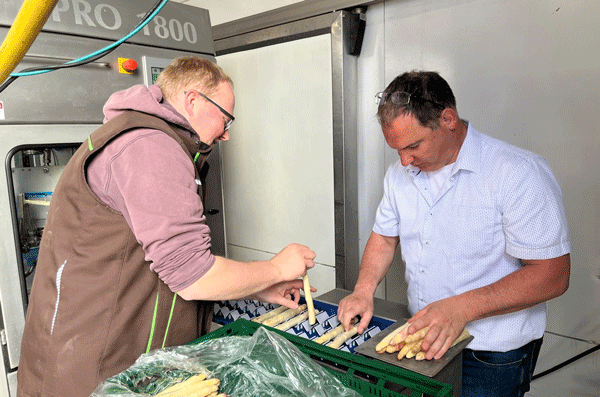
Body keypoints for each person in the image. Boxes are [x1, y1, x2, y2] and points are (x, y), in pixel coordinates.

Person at [17, 56, 316, 397]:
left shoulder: (155, 142)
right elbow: (193, 276)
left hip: (124, 359)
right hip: (93, 369)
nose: (228, 133)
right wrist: (276, 268)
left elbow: (168, 262)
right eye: (225, 117)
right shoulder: (149, 146)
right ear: (193, 100)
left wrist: (257, 287)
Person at [337, 71, 570, 397]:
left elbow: (552, 275)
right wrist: (363, 290)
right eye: (397, 150)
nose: (405, 161)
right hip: (421, 337)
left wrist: (462, 308)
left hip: (490, 354)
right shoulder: (400, 174)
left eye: (413, 146)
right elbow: (385, 236)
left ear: (447, 119)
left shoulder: (515, 172)